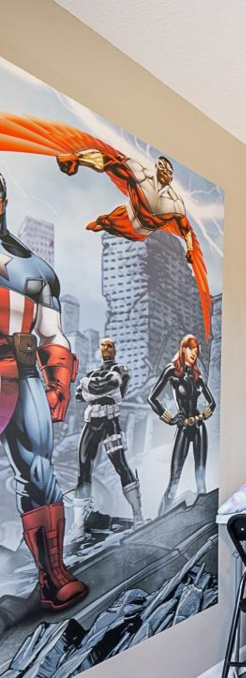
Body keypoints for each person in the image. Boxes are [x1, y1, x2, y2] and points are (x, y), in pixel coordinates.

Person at [0, 172, 81, 609]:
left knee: (39, 474)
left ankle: (52, 576)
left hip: (19, 369)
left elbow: (53, 332)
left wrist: (58, 382)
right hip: (16, 362)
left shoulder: (34, 268)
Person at [73, 338, 142, 531]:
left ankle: (138, 515)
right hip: (91, 423)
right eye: (102, 346)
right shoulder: (94, 373)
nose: (106, 349)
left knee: (121, 465)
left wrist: (88, 385)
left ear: (115, 349)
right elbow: (80, 395)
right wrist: (98, 389)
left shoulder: (119, 370)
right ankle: (78, 524)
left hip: (110, 423)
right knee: (84, 470)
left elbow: (107, 385)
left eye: (109, 346)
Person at [149, 334, 215, 514]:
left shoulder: (196, 376)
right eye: (190, 350)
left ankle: (203, 520)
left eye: (196, 351)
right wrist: (169, 418)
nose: (194, 354)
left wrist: (200, 417)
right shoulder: (172, 371)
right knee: (174, 479)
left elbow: (212, 403)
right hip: (183, 427)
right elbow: (152, 398)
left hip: (199, 428)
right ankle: (159, 520)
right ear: (183, 349)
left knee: (200, 479)